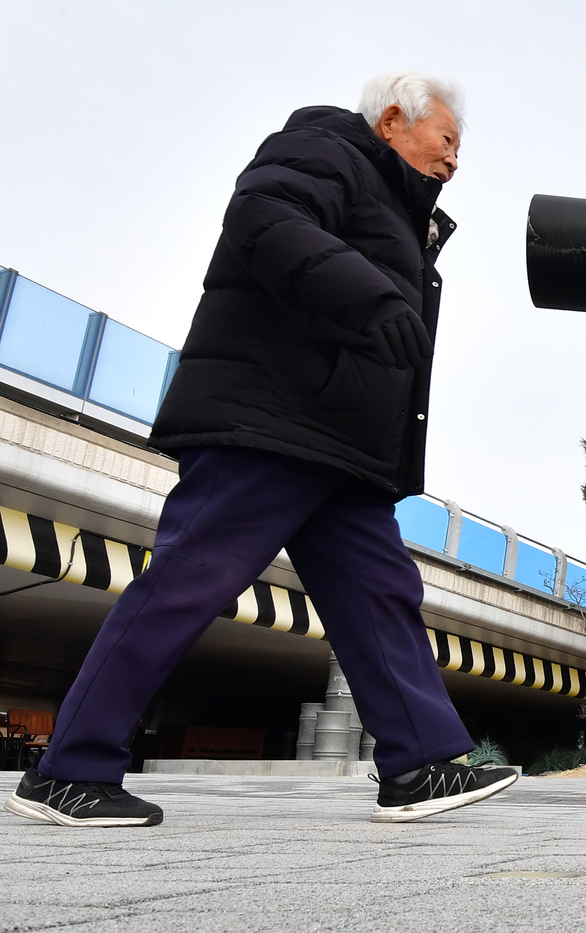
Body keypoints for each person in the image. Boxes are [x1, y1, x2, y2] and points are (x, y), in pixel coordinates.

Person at [4, 73, 516, 828]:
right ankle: (69, 769)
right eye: (448, 140)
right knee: (185, 584)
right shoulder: (323, 148)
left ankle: (421, 761)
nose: (455, 160)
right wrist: (370, 295)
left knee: (381, 595)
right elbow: (263, 217)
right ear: (395, 119)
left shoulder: (401, 214)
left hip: (338, 448)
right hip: (270, 421)